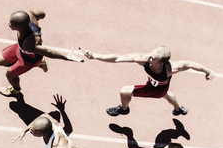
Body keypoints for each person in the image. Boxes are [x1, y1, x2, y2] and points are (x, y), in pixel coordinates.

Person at [83, 45, 215, 116]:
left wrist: (208, 71)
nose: (148, 58)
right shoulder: (144, 59)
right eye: (150, 55)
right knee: (168, 95)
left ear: (161, 63)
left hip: (156, 90)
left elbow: (190, 64)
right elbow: (117, 58)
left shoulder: (170, 68)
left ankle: (124, 109)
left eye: (153, 58)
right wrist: (95, 56)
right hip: (157, 86)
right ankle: (178, 109)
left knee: (125, 91)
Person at [0, 10, 83, 96]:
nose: (8, 24)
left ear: (20, 28)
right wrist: (38, 17)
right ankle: (37, 62)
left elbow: (49, 52)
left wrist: (66, 57)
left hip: (28, 60)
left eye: (11, 23)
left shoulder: (29, 44)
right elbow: (42, 14)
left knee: (9, 74)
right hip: (20, 49)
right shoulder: (30, 14)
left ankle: (15, 89)